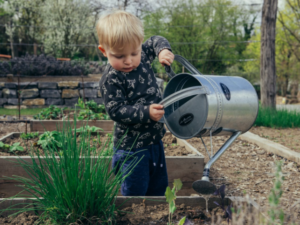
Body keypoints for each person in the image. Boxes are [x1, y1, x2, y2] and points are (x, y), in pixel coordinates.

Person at [96, 10, 174, 196]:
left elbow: (156, 39)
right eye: (119, 56)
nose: (129, 61)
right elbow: (116, 110)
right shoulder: (111, 78)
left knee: (158, 186)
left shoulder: (144, 55)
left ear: (140, 45)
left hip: (155, 141)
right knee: (135, 191)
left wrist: (163, 50)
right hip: (132, 148)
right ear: (104, 51)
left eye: (134, 52)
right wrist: (146, 113)